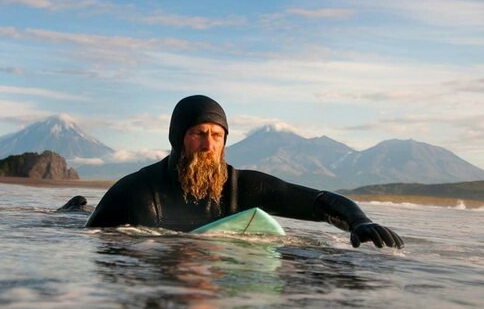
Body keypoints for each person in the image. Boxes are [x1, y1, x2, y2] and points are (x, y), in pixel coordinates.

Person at [86, 95, 404, 249]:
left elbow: (316, 201)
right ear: (178, 137)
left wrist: (358, 220)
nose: (207, 145)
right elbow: (91, 244)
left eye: (217, 135)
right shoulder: (135, 194)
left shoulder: (240, 187)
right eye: (198, 133)